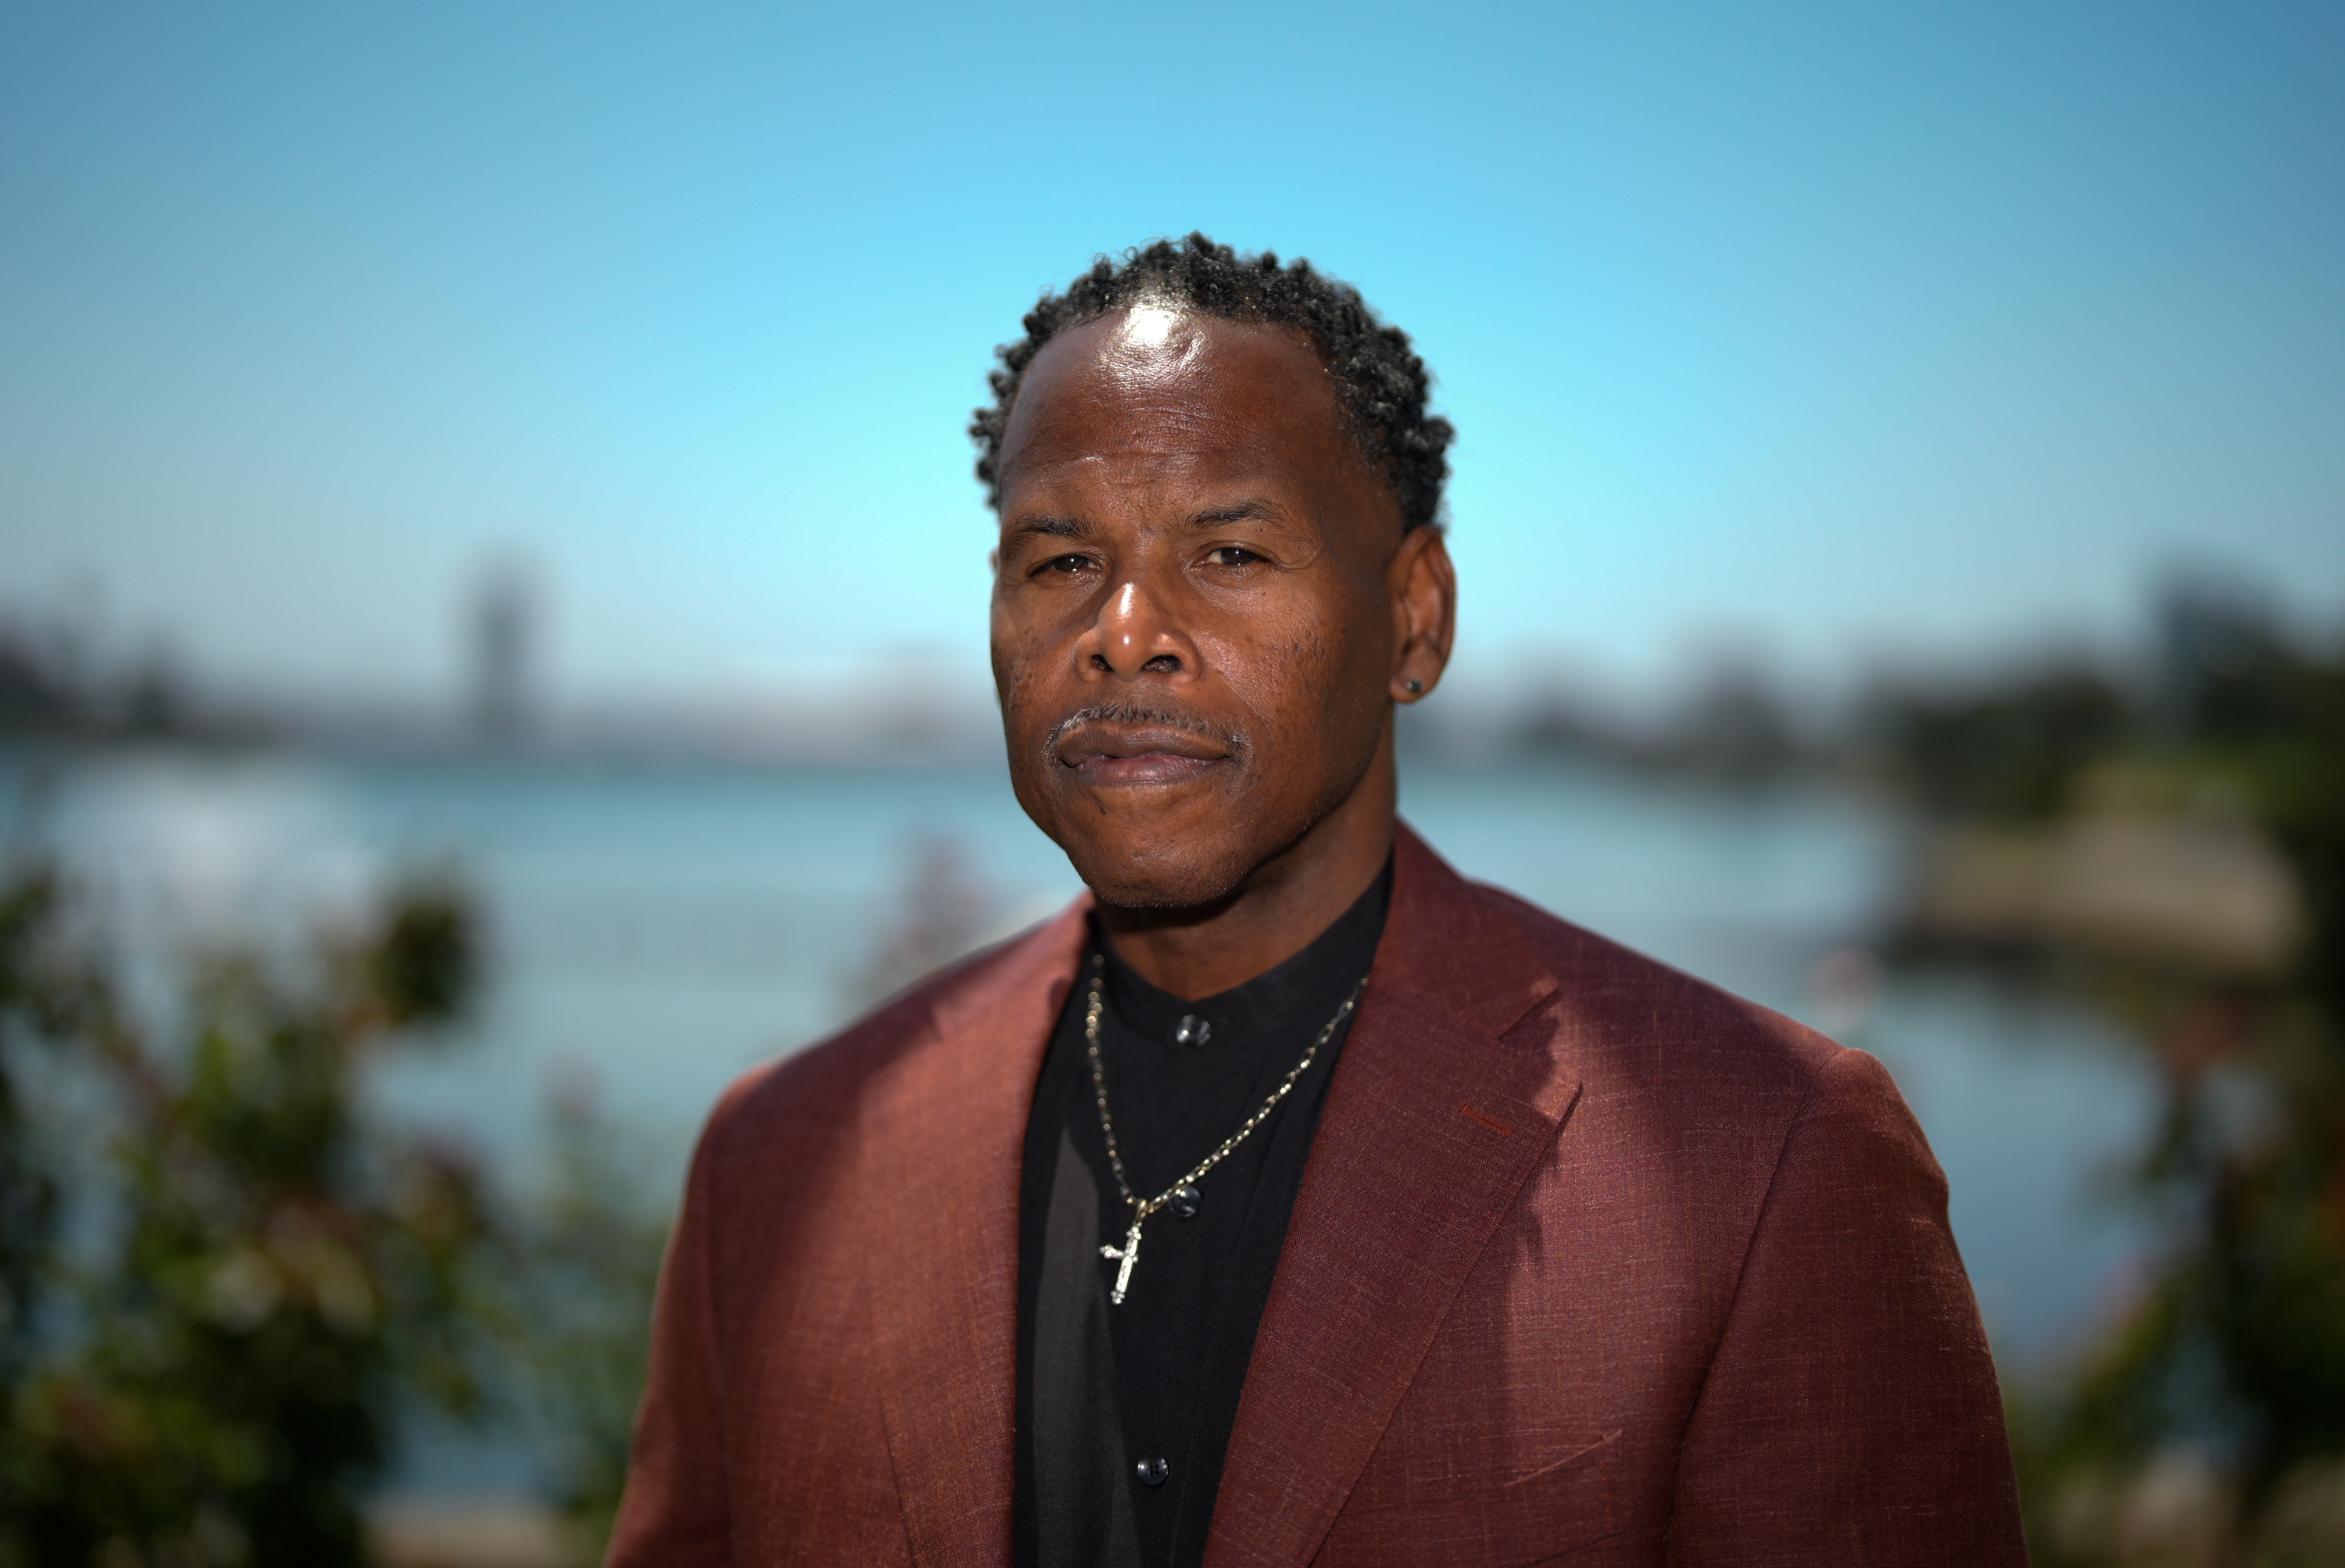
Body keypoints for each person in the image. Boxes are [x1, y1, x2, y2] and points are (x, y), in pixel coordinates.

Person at [607, 234, 2027, 1566]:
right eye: (1061, 561)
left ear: (1415, 617)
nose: (1125, 636)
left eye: (1229, 553)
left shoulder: (1769, 1160)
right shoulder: (778, 1162)